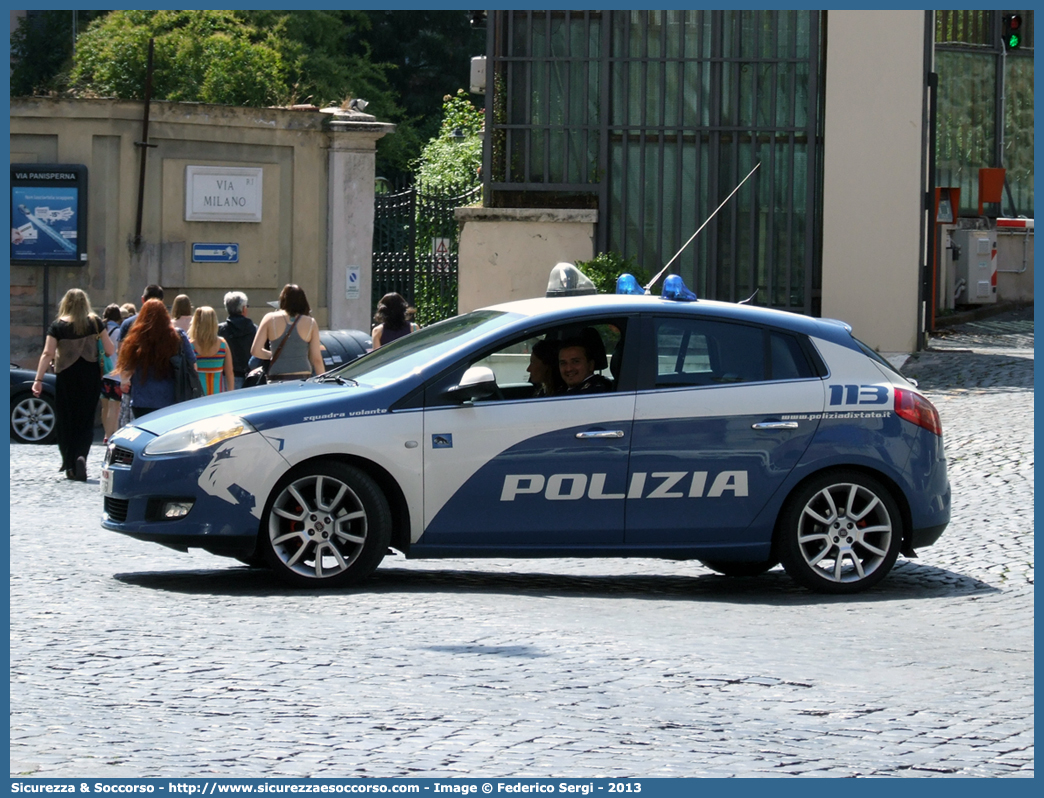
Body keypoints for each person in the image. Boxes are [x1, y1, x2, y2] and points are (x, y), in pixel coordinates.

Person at [31, 288, 114, 481]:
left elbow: (47, 353)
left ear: (65, 303)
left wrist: (38, 380)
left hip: (66, 377)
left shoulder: (57, 326)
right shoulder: (95, 323)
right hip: (90, 376)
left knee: (66, 420)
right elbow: (110, 350)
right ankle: (80, 456)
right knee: (85, 421)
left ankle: (69, 462)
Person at [116, 299, 196, 419]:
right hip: (171, 399)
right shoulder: (177, 336)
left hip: (141, 400)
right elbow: (192, 365)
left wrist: (124, 382)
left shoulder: (135, 338)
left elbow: (126, 368)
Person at [250, 284, 324, 381]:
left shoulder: (270, 319)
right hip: (302, 377)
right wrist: (324, 380)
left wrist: (275, 354)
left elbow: (255, 351)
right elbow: (316, 359)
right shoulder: (310, 322)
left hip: (277, 377)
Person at [189, 306, 234, 395]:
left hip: (197, 397)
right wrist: (230, 395)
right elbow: (229, 373)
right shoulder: (222, 344)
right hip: (218, 397)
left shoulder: (191, 346)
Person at [218, 291, 258, 389]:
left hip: (226, 378)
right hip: (250, 378)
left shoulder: (220, 330)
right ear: (244, 308)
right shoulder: (254, 329)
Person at [99, 304, 124, 443]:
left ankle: (105, 433)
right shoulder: (118, 332)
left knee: (105, 407)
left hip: (103, 373)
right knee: (115, 407)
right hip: (116, 373)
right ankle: (110, 435)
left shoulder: (101, 330)